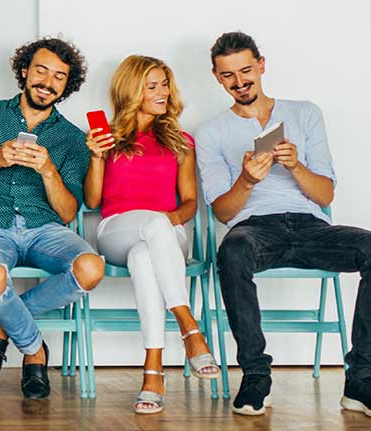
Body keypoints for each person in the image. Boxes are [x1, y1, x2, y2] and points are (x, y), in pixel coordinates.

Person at [196, 31, 371, 420]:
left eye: (245, 71)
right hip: (254, 229)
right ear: (216, 77)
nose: (239, 82)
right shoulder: (211, 132)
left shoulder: (305, 113)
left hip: (311, 227)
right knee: (233, 250)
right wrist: (247, 181)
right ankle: (256, 376)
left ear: (261, 65)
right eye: (228, 76)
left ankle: (360, 379)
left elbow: (325, 195)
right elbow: (223, 212)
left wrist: (294, 165)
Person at [0, 37, 102, 399]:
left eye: (59, 77)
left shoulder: (70, 138)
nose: (47, 82)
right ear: (24, 71)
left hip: (45, 228)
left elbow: (69, 212)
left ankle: (1, 324)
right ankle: (35, 352)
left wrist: (49, 171)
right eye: (41, 71)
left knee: (91, 269)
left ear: (67, 86)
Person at [83, 55, 218, 414]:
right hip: (116, 229)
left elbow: (190, 202)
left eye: (165, 84)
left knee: (145, 256)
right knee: (151, 230)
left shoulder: (181, 141)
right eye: (152, 85)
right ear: (132, 91)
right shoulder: (107, 137)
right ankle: (190, 328)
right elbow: (93, 200)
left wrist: (169, 220)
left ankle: (153, 370)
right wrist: (96, 157)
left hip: (166, 234)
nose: (163, 92)